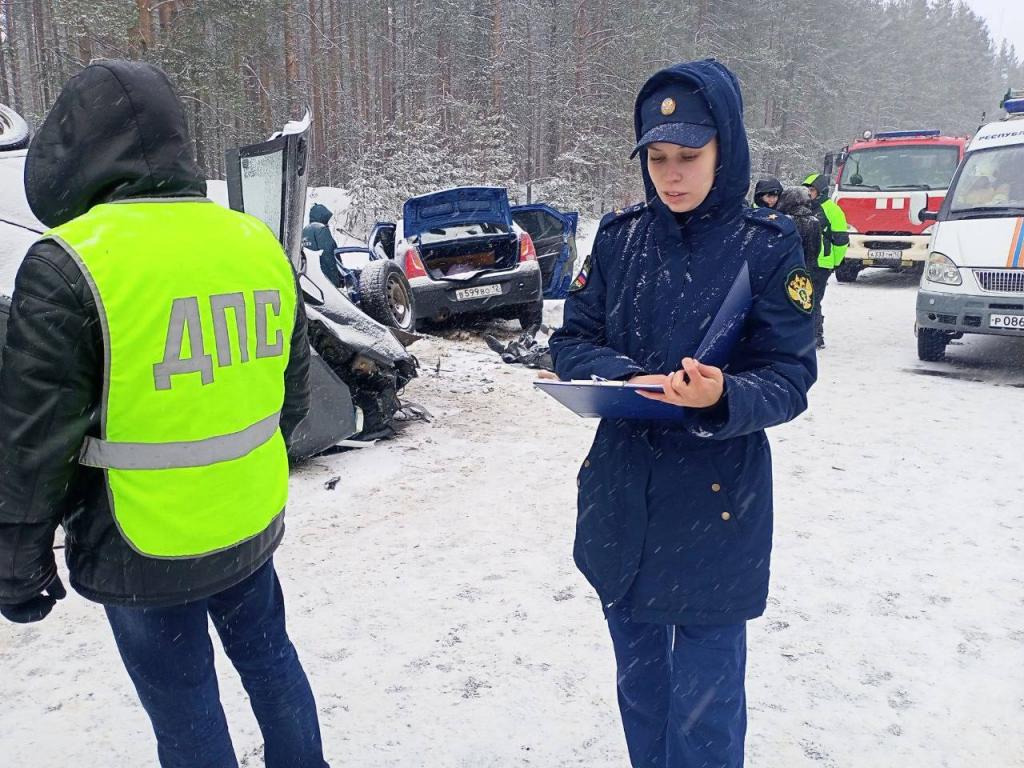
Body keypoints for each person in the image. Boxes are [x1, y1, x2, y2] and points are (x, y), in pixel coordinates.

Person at [0, 60, 329, 768]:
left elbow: (33, 441)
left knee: (185, 707)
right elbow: (292, 397)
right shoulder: (254, 243)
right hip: (246, 518)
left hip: (139, 537)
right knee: (273, 666)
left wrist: (17, 558)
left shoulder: (68, 263)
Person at [549, 60, 816, 768]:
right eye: (658, 157)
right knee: (643, 693)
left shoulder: (768, 246)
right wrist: (629, 379)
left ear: (725, 148)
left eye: (689, 156)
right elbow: (572, 339)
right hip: (623, 500)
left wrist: (722, 396)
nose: (672, 174)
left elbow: (790, 376)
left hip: (716, 506)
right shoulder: (618, 238)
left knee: (706, 705)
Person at [777, 187, 829, 347]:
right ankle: (814, 336)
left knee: (788, 304)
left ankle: (790, 337)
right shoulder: (814, 221)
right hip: (811, 267)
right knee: (810, 303)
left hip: (790, 268)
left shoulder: (786, 221)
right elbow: (817, 247)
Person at [802, 173, 847, 347]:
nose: (808, 193)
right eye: (806, 189)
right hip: (805, 261)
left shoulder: (832, 209)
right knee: (804, 299)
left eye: (811, 189)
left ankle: (815, 336)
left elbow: (841, 239)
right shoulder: (805, 208)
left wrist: (835, 262)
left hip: (822, 263)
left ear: (820, 191)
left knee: (813, 300)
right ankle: (808, 335)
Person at [302, 202, 349, 288]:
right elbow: (329, 255)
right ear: (322, 217)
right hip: (325, 280)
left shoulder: (306, 230)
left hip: (310, 278)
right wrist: (337, 280)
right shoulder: (321, 229)